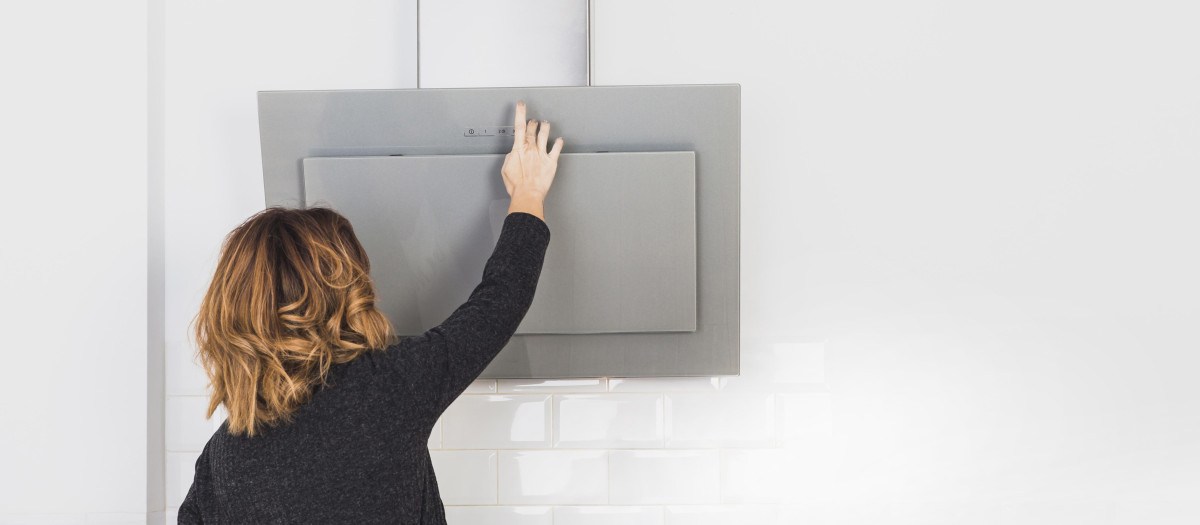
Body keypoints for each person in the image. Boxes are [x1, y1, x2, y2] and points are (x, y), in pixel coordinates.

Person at [178, 101, 563, 524]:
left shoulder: (222, 459)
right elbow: (499, 302)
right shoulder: (389, 388)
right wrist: (528, 193)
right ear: (344, 290)